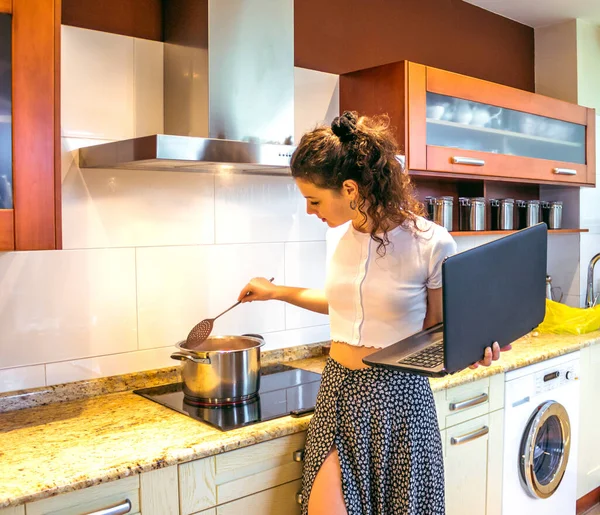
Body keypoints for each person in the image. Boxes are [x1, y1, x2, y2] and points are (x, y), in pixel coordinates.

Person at [237, 111, 508, 515]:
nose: (311, 211)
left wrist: (474, 349)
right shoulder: (340, 238)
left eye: (314, 200)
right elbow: (344, 303)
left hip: (399, 402)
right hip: (337, 393)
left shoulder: (431, 243)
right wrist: (276, 292)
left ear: (349, 188)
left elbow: (440, 331)